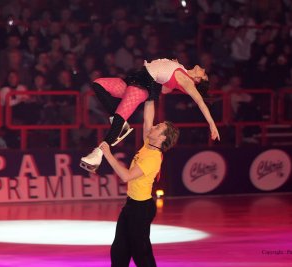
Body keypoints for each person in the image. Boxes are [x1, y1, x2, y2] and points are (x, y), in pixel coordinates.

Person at [80, 58, 220, 172]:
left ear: (197, 80)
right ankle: (120, 126)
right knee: (98, 84)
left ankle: (98, 154)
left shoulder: (187, 81)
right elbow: (164, 87)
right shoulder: (181, 69)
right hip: (134, 79)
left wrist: (212, 125)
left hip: (142, 86)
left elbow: (200, 102)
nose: (204, 70)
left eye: (204, 75)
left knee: (120, 116)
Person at [99, 102, 180, 267]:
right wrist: (150, 95)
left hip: (141, 209)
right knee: (119, 249)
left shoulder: (153, 157)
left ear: (162, 137)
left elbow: (126, 176)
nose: (154, 127)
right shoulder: (147, 145)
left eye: (158, 128)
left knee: (141, 253)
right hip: (131, 205)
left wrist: (107, 153)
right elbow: (147, 119)